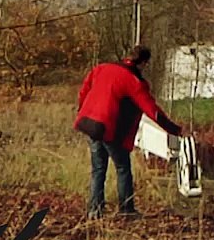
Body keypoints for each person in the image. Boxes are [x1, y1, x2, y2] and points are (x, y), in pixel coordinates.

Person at [74, 45, 183, 219]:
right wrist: (174, 129)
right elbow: (152, 111)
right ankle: (126, 210)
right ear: (143, 63)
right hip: (110, 129)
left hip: (90, 125)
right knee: (123, 168)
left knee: (98, 169)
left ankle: (94, 210)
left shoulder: (102, 68)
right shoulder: (134, 81)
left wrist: (82, 110)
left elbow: (84, 91)